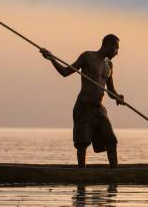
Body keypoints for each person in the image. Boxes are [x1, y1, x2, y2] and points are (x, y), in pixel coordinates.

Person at [40, 34, 124, 169]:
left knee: (111, 141)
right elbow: (65, 72)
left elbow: (111, 92)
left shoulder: (109, 65)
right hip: (84, 107)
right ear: (108, 45)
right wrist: (52, 59)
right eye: (116, 49)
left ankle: (115, 174)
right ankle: (81, 175)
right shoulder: (88, 57)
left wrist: (118, 97)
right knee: (82, 143)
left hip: (99, 108)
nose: (117, 53)